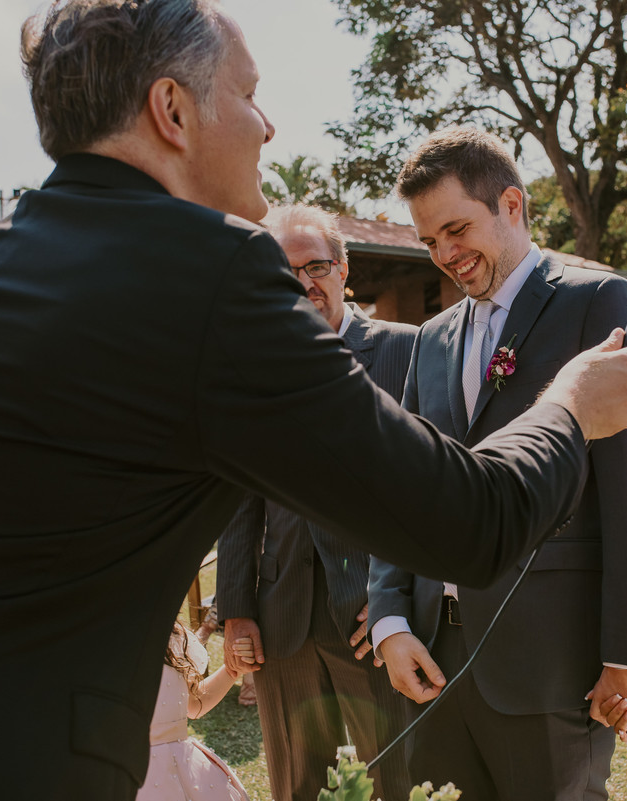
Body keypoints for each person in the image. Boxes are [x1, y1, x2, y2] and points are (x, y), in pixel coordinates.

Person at [0, 3, 627, 800]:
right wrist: (568, 407)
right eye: (248, 92)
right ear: (173, 110)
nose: (267, 124)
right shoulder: (211, 277)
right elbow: (467, 521)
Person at [367, 127, 627, 801]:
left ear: (511, 204)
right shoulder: (433, 338)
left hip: (550, 663)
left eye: (456, 228)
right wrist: (390, 619)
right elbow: (407, 488)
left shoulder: (599, 301)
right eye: (428, 242)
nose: (446, 255)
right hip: (434, 660)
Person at [216, 204, 414, 801]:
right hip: (283, 624)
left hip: (375, 624)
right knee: (296, 787)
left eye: (317, 266)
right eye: (284, 273)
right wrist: (236, 610)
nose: (304, 284)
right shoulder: (247, 373)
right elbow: (239, 502)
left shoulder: (406, 351)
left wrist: (396, 598)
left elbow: (433, 490)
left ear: (343, 268)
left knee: (399, 781)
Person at [139, 623, 248, 801]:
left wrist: (231, 670)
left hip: (185, 766)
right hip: (131, 769)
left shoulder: (172, 637)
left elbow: (194, 705)